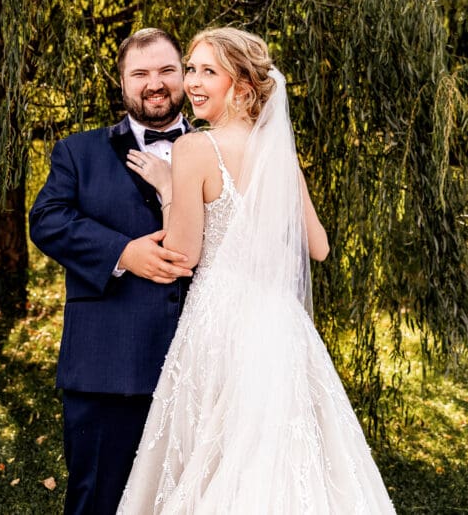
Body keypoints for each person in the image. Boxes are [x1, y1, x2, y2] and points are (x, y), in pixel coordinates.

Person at [117, 28, 395, 514]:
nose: (193, 82)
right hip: (277, 322)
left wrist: (168, 189)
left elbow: (184, 254)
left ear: (242, 87)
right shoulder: (279, 155)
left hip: (220, 323)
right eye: (192, 68)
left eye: (208, 71)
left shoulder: (194, 150)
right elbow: (320, 247)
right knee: (278, 448)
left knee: (217, 451)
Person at [29, 28, 196, 515]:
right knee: (97, 501)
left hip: (200, 365)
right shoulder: (78, 152)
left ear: (183, 76)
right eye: (140, 73)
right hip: (105, 367)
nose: (155, 83)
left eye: (166, 70)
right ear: (122, 83)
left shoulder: (219, 151)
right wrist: (123, 253)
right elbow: (47, 220)